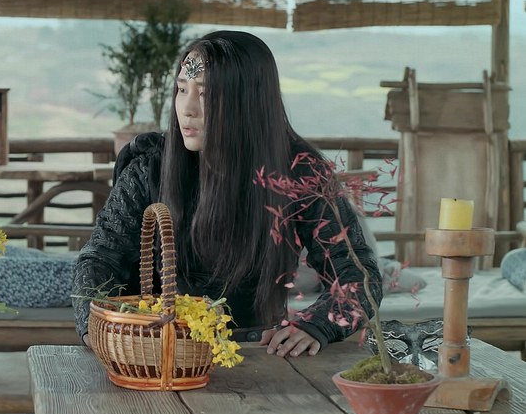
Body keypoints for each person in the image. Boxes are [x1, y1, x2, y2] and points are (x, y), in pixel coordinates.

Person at [73, 30, 382, 358]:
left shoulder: (298, 170)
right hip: (160, 349)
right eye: (182, 89)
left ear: (248, 100)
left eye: (206, 94)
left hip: (260, 353)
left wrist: (316, 324)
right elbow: (101, 258)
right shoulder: (150, 166)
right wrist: (95, 329)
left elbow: (358, 273)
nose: (187, 109)